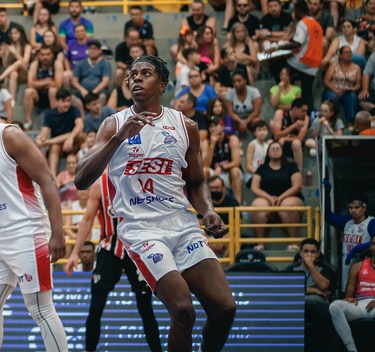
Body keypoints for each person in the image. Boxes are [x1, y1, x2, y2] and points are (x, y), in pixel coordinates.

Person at [75, 55, 235, 352]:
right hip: (141, 229)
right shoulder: (114, 124)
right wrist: (119, 138)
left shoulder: (185, 126)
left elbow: (197, 182)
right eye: (132, 74)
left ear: (162, 85)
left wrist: (208, 210)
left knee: (225, 309)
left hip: (182, 225)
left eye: (145, 73)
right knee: (183, 310)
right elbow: (81, 179)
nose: (135, 78)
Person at [0, 90, 67, 352]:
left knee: (41, 309)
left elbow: (47, 181)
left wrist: (58, 232)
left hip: (27, 233)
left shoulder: (9, 135)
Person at [65, 173, 162, 352]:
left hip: (137, 248)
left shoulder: (141, 177)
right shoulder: (100, 183)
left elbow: (156, 214)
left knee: (146, 308)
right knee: (95, 308)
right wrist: (75, 253)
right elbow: (87, 219)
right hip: (110, 249)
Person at [249, 141, 304, 251]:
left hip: (289, 198)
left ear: (282, 151)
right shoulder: (262, 168)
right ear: (268, 153)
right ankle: (260, 244)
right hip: (268, 201)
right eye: (272, 148)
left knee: (287, 205)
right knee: (256, 205)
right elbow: (254, 187)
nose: (275, 150)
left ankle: (293, 243)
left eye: (278, 148)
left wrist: (281, 197)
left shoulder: (291, 166)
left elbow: (297, 185)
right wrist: (269, 198)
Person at [286, 237, 338, 352]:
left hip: (319, 306)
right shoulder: (291, 269)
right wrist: (314, 290)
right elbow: (288, 290)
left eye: (313, 252)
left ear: (318, 254)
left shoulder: (325, 268)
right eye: (305, 251)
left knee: (327, 317)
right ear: (300, 253)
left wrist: (311, 266)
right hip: (296, 305)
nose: (309, 255)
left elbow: (324, 286)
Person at [329, 238, 375, 352]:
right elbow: (348, 295)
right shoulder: (358, 266)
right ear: (370, 246)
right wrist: (350, 298)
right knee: (334, 306)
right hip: (361, 304)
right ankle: (352, 349)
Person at [326, 195, 375, 293]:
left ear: (364, 208)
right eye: (350, 208)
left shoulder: (371, 222)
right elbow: (328, 216)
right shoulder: (347, 222)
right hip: (347, 265)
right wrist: (327, 194)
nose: (353, 210)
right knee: (347, 290)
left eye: (357, 207)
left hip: (365, 265)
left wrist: (359, 248)